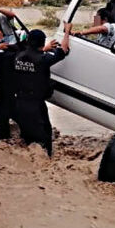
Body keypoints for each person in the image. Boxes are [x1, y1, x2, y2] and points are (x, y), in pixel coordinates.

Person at [10, 23, 72, 156]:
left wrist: (44, 49)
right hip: (36, 105)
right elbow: (64, 50)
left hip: (19, 103)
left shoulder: (18, 56)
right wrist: (67, 32)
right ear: (43, 43)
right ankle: (47, 161)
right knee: (44, 139)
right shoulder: (43, 59)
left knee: (27, 139)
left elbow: (32, 56)